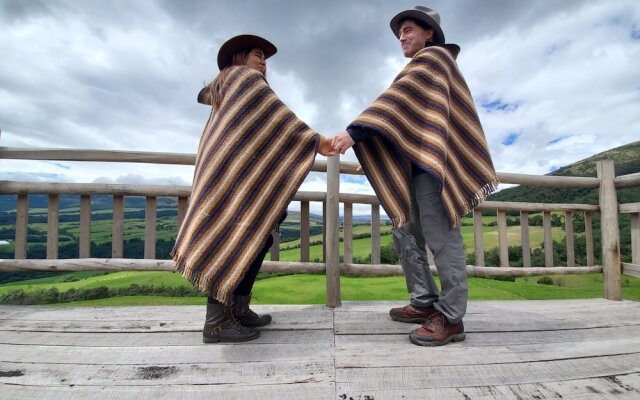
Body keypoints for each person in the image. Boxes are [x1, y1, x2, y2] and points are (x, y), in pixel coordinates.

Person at [331, 6, 498, 346]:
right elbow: (409, 126)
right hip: (416, 170)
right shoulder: (419, 66)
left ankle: (451, 317)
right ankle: (424, 301)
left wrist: (355, 133)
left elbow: (395, 102)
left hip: (435, 172)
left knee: (442, 239)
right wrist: (380, 157)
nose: (402, 37)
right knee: (405, 232)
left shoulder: (436, 60)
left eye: (408, 30)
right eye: (399, 34)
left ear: (429, 33)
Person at [173, 34, 335, 343]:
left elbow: (263, 132)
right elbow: (281, 119)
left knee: (255, 238)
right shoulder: (243, 80)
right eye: (257, 54)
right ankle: (217, 321)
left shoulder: (232, 89)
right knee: (231, 236)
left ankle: (238, 309)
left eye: (265, 58)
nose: (263, 61)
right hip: (231, 183)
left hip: (235, 182)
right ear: (238, 58)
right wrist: (318, 141)